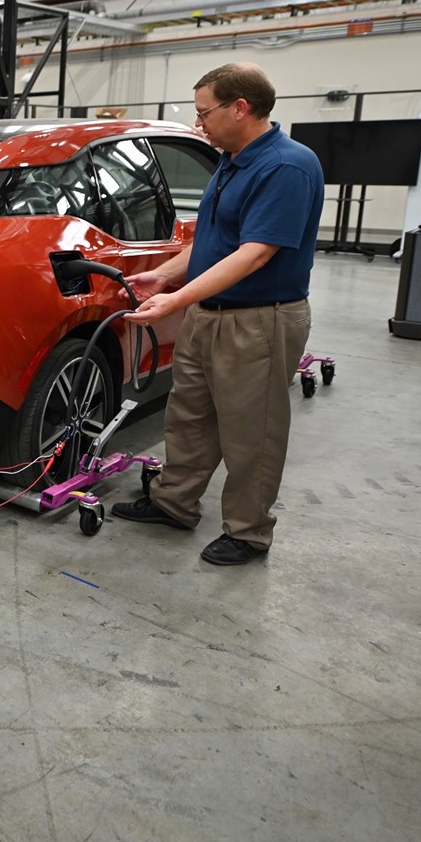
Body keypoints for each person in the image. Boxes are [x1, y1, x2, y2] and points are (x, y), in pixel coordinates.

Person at [111, 62, 325, 566]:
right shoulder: (233, 159)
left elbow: (254, 253)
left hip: (259, 319)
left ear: (240, 108)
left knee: (253, 430)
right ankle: (173, 502)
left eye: (205, 112)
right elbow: (216, 243)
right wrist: (165, 276)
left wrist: (177, 300)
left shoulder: (287, 167)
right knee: (189, 417)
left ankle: (249, 532)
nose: (198, 122)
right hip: (210, 312)